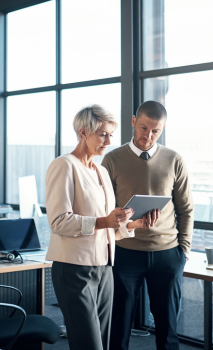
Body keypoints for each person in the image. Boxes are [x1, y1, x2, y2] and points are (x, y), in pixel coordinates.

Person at [45, 104, 157, 350]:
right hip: (74, 269)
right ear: (84, 132)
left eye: (111, 135)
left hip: (105, 268)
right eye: (103, 134)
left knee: (105, 344)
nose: (108, 141)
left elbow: (108, 227)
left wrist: (133, 224)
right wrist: (105, 221)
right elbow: (58, 221)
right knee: (89, 345)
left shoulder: (102, 171)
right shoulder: (64, 166)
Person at [102, 100, 194, 350]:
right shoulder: (112, 160)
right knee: (119, 326)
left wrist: (183, 251)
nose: (148, 136)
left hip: (167, 254)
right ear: (133, 121)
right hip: (125, 253)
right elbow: (103, 211)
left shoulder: (175, 160)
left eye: (156, 131)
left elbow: (186, 209)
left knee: (168, 330)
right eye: (143, 128)